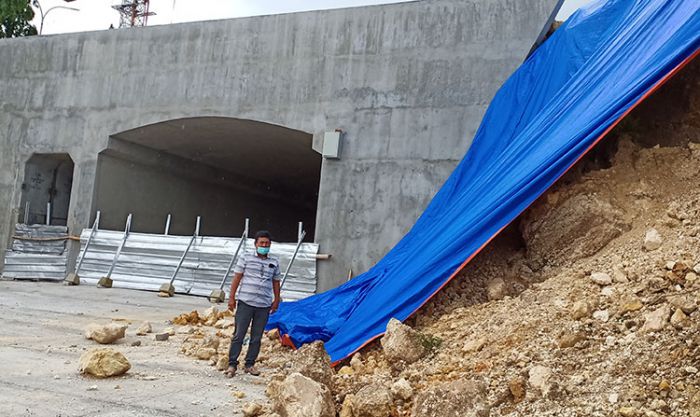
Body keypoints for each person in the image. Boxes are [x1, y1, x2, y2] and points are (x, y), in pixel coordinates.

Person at [225, 230, 281, 377]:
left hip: (264, 305)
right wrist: (231, 298)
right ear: (255, 244)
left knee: (256, 337)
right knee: (239, 334)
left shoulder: (274, 262)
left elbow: (276, 282)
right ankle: (232, 364)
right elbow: (237, 278)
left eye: (267, 243)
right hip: (245, 302)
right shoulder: (245, 258)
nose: (264, 245)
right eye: (261, 243)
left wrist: (276, 300)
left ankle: (250, 364)